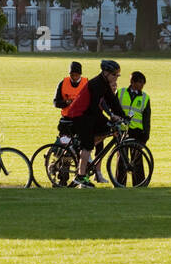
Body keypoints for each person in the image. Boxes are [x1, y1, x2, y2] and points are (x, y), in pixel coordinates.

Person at [63, 59, 126, 188]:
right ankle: (81, 176)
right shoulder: (97, 84)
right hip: (80, 115)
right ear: (106, 73)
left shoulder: (104, 84)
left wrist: (123, 116)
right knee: (88, 145)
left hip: (88, 114)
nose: (116, 78)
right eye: (114, 75)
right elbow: (93, 109)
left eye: (117, 75)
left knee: (103, 131)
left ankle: (84, 157)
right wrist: (110, 119)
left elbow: (113, 101)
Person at [54, 61, 103, 183]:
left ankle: (82, 175)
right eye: (72, 75)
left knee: (83, 148)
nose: (74, 77)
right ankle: (63, 177)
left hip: (82, 119)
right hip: (67, 121)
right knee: (67, 149)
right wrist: (66, 103)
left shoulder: (86, 83)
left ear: (80, 74)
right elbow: (56, 102)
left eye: (76, 75)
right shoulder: (63, 83)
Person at [117, 70, 151, 186]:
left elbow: (147, 118)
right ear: (132, 82)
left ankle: (139, 183)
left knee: (137, 159)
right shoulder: (120, 93)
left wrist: (146, 134)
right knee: (121, 158)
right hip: (122, 130)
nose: (142, 86)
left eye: (143, 84)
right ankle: (120, 183)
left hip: (137, 132)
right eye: (140, 83)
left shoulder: (145, 98)